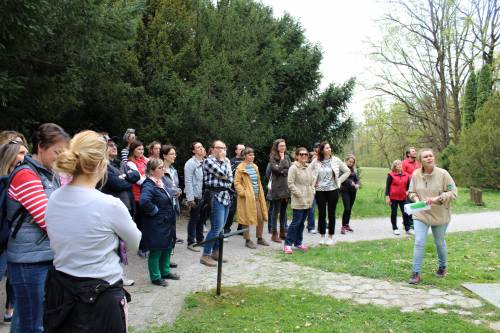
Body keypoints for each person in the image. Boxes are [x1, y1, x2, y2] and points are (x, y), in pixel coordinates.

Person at [44, 130, 141, 332]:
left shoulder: (54, 197)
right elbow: (136, 241)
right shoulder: (109, 205)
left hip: (61, 291)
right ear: (100, 164)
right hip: (100, 295)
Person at [6, 123, 69, 332]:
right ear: (41, 147)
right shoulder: (26, 174)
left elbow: (61, 211)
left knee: (27, 321)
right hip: (29, 263)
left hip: (43, 257)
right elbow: (48, 220)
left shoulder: (48, 174)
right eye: (57, 152)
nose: (60, 158)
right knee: (33, 325)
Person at [407, 148, 457, 284]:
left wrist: (437, 198)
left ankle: (442, 267)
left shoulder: (443, 174)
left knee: (439, 242)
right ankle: (415, 273)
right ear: (420, 161)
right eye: (425, 157)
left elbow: (454, 192)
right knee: (419, 242)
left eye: (431, 156)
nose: (429, 158)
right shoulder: (416, 174)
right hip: (421, 214)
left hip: (440, 214)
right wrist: (417, 201)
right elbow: (411, 192)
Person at [100, 134, 140, 286]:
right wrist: (126, 179)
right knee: (113, 243)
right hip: (113, 209)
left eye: (115, 145)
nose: (114, 147)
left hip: (127, 205)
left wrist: (125, 177)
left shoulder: (119, 163)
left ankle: (120, 273)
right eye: (110, 145)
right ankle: (115, 275)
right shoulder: (103, 166)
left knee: (122, 244)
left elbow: (136, 175)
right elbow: (115, 184)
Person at [0, 137, 28, 323]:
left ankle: (10, 308)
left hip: (12, 237)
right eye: (21, 153)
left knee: (13, 277)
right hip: (2, 238)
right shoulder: (5, 181)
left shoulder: (20, 177)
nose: (26, 157)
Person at [140, 158, 179, 287]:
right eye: (160, 168)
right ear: (152, 171)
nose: (163, 170)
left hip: (166, 221)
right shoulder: (148, 184)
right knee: (156, 249)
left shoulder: (160, 182)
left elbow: (166, 194)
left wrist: (175, 192)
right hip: (157, 222)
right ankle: (156, 277)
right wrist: (155, 211)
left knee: (167, 247)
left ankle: (165, 271)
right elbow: (144, 202)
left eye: (163, 167)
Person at [309, 141, 350, 245]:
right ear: (322, 150)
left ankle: (330, 237)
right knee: (322, 214)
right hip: (320, 191)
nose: (329, 149)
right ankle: (322, 236)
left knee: (331, 214)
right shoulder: (316, 161)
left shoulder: (336, 160)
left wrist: (339, 181)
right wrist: (313, 181)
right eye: (327, 148)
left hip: (333, 190)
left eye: (330, 148)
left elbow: (347, 171)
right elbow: (308, 171)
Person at [200, 140, 233, 267]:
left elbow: (230, 179)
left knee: (221, 228)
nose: (222, 150)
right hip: (215, 195)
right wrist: (225, 163)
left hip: (226, 195)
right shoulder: (209, 161)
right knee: (216, 227)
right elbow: (222, 174)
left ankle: (216, 252)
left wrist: (225, 167)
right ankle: (205, 254)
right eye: (219, 148)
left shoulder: (226, 161)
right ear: (212, 149)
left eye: (224, 148)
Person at [234, 147, 269, 249]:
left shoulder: (254, 167)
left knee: (260, 217)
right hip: (246, 198)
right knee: (246, 218)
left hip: (257, 196)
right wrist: (243, 193)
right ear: (244, 156)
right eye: (250, 155)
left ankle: (259, 238)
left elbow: (257, 181)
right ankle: (247, 240)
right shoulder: (240, 168)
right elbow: (236, 183)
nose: (252, 156)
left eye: (253, 155)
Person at [283, 147, 315, 254]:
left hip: (308, 199)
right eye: (301, 154)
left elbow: (311, 183)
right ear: (297, 156)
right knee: (296, 222)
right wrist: (299, 194)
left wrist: (312, 191)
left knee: (302, 223)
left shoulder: (308, 167)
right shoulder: (293, 168)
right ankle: (287, 244)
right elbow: (290, 184)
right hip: (298, 199)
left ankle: (298, 242)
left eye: (305, 154)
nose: (304, 156)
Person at [268, 139, 291, 243]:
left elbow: (290, 169)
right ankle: (274, 234)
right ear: (276, 147)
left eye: (284, 145)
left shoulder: (287, 157)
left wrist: (282, 169)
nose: (283, 147)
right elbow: (276, 170)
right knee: (275, 211)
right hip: (277, 188)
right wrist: (282, 161)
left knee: (283, 211)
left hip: (286, 187)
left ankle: (282, 232)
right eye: (281, 146)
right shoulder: (273, 157)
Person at [184, 142, 206, 252]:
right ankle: (191, 241)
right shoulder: (190, 163)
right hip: (195, 195)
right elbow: (188, 181)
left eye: (202, 147)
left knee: (202, 219)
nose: (201, 149)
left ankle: (200, 239)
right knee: (194, 219)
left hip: (204, 195)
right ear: (193, 151)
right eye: (198, 147)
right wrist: (190, 198)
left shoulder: (206, 162)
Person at [161, 144, 183, 247]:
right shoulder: (159, 170)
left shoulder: (174, 170)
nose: (174, 156)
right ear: (164, 155)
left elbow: (176, 185)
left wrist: (178, 190)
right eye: (171, 154)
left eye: (175, 154)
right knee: (165, 230)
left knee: (172, 228)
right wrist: (175, 191)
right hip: (164, 204)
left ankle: (169, 253)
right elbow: (160, 187)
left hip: (174, 203)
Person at [385, 160, 411, 235]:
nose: (399, 165)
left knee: (406, 212)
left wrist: (407, 191)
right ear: (394, 166)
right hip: (393, 197)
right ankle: (395, 228)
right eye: (397, 164)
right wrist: (387, 197)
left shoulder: (406, 175)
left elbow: (408, 186)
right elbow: (387, 187)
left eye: (400, 164)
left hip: (403, 197)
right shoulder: (390, 175)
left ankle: (407, 228)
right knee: (394, 213)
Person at [224, 144, 245, 234]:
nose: (242, 151)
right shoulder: (231, 161)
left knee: (243, 209)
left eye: (243, 149)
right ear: (236, 151)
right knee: (232, 209)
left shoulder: (247, 161)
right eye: (240, 149)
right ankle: (226, 228)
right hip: (233, 189)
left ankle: (240, 229)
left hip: (245, 188)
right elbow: (229, 174)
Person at [340, 154, 360, 234]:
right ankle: (343, 226)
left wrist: (358, 184)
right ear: (346, 161)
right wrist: (350, 182)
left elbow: (357, 179)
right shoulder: (342, 169)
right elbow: (342, 178)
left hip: (353, 191)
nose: (351, 163)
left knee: (349, 209)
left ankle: (347, 224)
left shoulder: (353, 170)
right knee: (347, 208)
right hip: (345, 191)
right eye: (350, 161)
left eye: (352, 162)